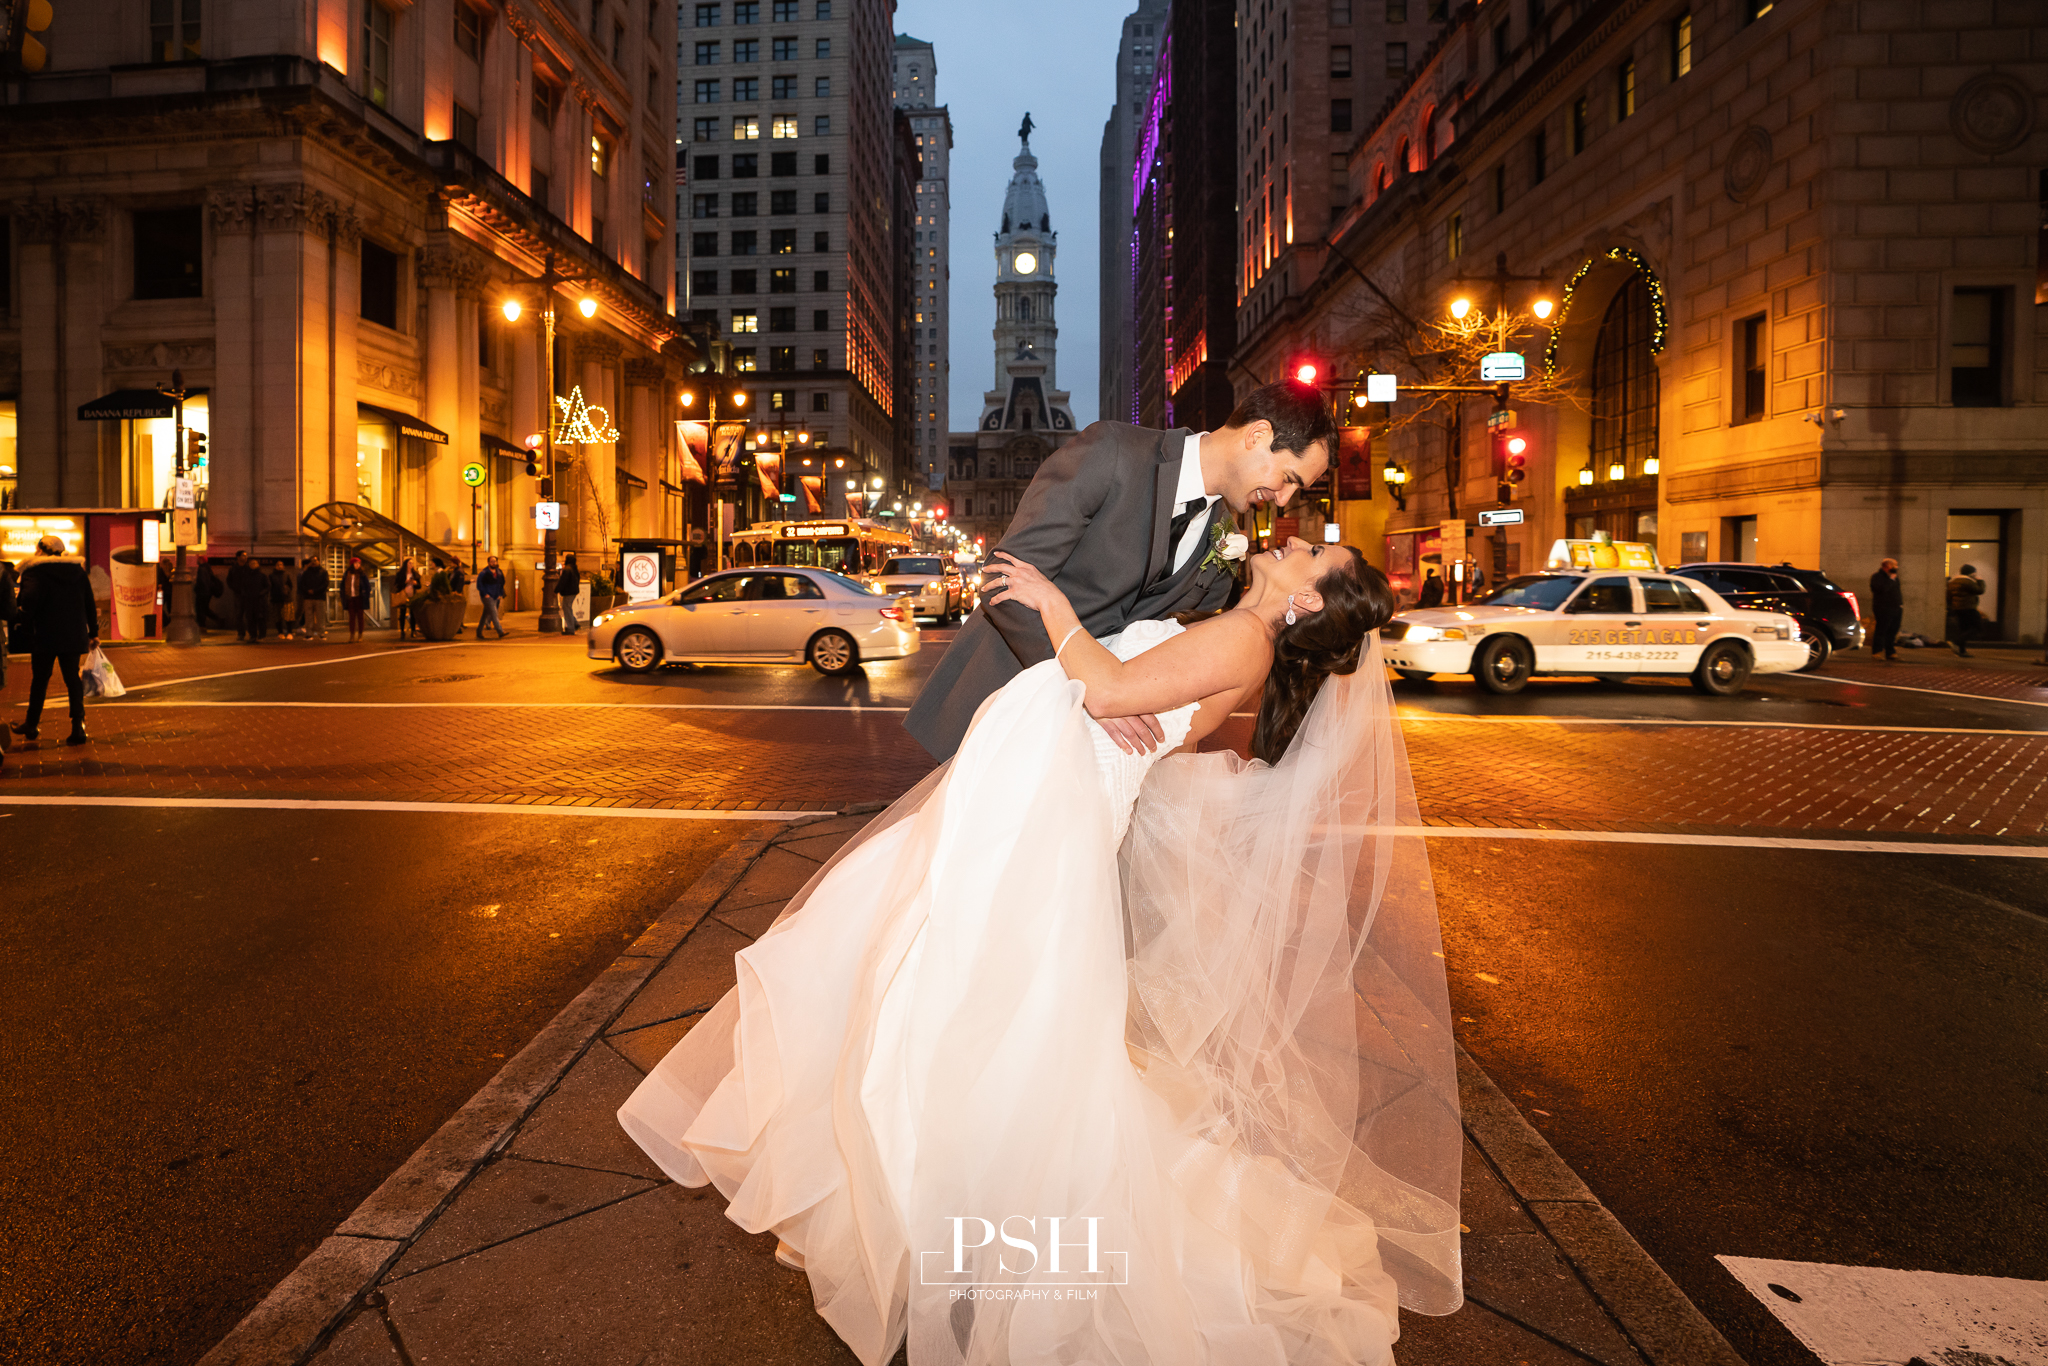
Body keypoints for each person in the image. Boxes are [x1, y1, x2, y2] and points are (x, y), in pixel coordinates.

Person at [618, 538, 1462, 1366]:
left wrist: (1054, 605)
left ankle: (927, 1208)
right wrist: (1121, 694)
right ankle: (922, 1204)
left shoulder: (1244, 637)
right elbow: (1138, 703)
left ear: (1306, 600)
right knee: (947, 991)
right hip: (1041, 809)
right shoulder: (1233, 633)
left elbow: (1107, 689)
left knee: (957, 995)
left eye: (1313, 552)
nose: (1296, 539)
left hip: (1040, 825)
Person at [903, 381, 1334, 762]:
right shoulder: (1112, 453)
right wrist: (1088, 693)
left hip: (1091, 754)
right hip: (998, 706)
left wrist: (1119, 698)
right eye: (1289, 478)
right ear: (1258, 435)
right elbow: (1003, 579)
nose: (1283, 500)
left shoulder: (1226, 542)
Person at [10, 535, 98, 747]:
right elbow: (89, 601)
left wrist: (24, 623)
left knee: (40, 680)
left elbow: (29, 601)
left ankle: (31, 725)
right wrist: (93, 632)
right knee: (72, 679)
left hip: (45, 635)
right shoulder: (77, 571)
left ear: (41, 549)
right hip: (73, 633)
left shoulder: (34, 571)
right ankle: (78, 726)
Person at [1945, 563, 1985, 657]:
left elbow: (1948, 596)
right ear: (1971, 573)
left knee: (1963, 629)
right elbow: (1980, 590)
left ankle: (1962, 651)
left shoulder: (1953, 582)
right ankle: (1956, 642)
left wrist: (1951, 607)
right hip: (1969, 608)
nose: (1975, 575)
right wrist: (1980, 581)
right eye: (1974, 573)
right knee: (1977, 628)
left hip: (1957, 608)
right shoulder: (1967, 582)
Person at [228, 551, 267, 641]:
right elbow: (229, 581)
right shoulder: (233, 568)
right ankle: (241, 633)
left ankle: (253, 634)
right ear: (238, 557)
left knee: (251, 615)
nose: (245, 557)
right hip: (239, 594)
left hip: (250, 596)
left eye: (246, 556)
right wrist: (236, 589)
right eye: (243, 555)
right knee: (239, 614)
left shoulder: (248, 568)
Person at [1869, 557, 1903, 662]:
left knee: (1893, 630)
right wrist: (1891, 579)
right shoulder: (1877, 577)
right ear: (1887, 566)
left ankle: (1890, 652)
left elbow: (1897, 591)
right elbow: (1882, 589)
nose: (1896, 568)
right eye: (1894, 566)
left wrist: (1900, 604)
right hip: (1883, 608)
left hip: (1896, 607)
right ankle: (1877, 652)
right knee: (1882, 629)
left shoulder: (1895, 578)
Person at [340, 555, 372, 643]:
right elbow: (343, 585)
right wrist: (344, 594)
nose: (358, 565)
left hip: (359, 597)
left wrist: (365, 594)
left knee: (360, 617)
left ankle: (360, 634)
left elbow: (367, 585)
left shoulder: (362, 574)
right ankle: (352, 635)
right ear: (352, 564)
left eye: (359, 563)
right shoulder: (347, 573)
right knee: (352, 617)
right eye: (356, 563)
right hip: (350, 597)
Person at [298, 557, 331, 641]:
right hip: (308, 597)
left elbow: (325, 584)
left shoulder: (323, 572)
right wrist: (307, 591)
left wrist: (315, 591)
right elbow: (302, 584)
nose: (313, 562)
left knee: (320, 616)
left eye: (315, 560)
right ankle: (309, 633)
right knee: (308, 616)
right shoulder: (306, 572)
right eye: (312, 561)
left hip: (319, 597)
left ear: (319, 561)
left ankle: (321, 633)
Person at [475, 556, 507, 638]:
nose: (494, 563)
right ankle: (500, 631)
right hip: (487, 596)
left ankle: (479, 631)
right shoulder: (484, 573)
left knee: (485, 614)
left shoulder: (499, 572)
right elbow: (479, 584)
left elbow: (502, 583)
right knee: (494, 612)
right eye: (492, 561)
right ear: (489, 562)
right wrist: (485, 594)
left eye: (495, 561)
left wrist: (500, 594)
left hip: (496, 596)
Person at [393, 556, 422, 640]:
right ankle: (402, 631)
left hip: (412, 595)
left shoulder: (415, 574)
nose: (411, 565)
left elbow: (419, 586)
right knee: (402, 613)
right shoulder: (401, 574)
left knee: (413, 614)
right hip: (403, 595)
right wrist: (405, 582)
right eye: (410, 563)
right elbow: (397, 584)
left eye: (412, 563)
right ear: (406, 564)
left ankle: (413, 631)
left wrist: (415, 583)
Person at [268, 559, 295, 638]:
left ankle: (289, 632)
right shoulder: (271, 575)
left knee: (289, 616)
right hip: (276, 599)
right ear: (275, 566)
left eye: (281, 565)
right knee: (278, 616)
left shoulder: (286, 574)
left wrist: (287, 589)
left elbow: (291, 585)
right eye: (278, 565)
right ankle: (280, 632)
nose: (280, 566)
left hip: (287, 598)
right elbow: (270, 586)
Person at [556, 553, 581, 635]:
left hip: (568, 592)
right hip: (574, 591)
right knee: (567, 607)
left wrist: (556, 590)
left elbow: (563, 581)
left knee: (566, 608)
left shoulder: (567, 569)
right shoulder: (574, 568)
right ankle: (574, 623)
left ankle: (570, 628)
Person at [195, 559, 220, 634]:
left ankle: (202, 626)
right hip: (207, 592)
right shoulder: (208, 568)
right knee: (204, 609)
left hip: (202, 592)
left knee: (200, 609)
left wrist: (196, 588)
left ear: (201, 560)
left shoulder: (201, 569)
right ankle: (218, 619)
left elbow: (202, 581)